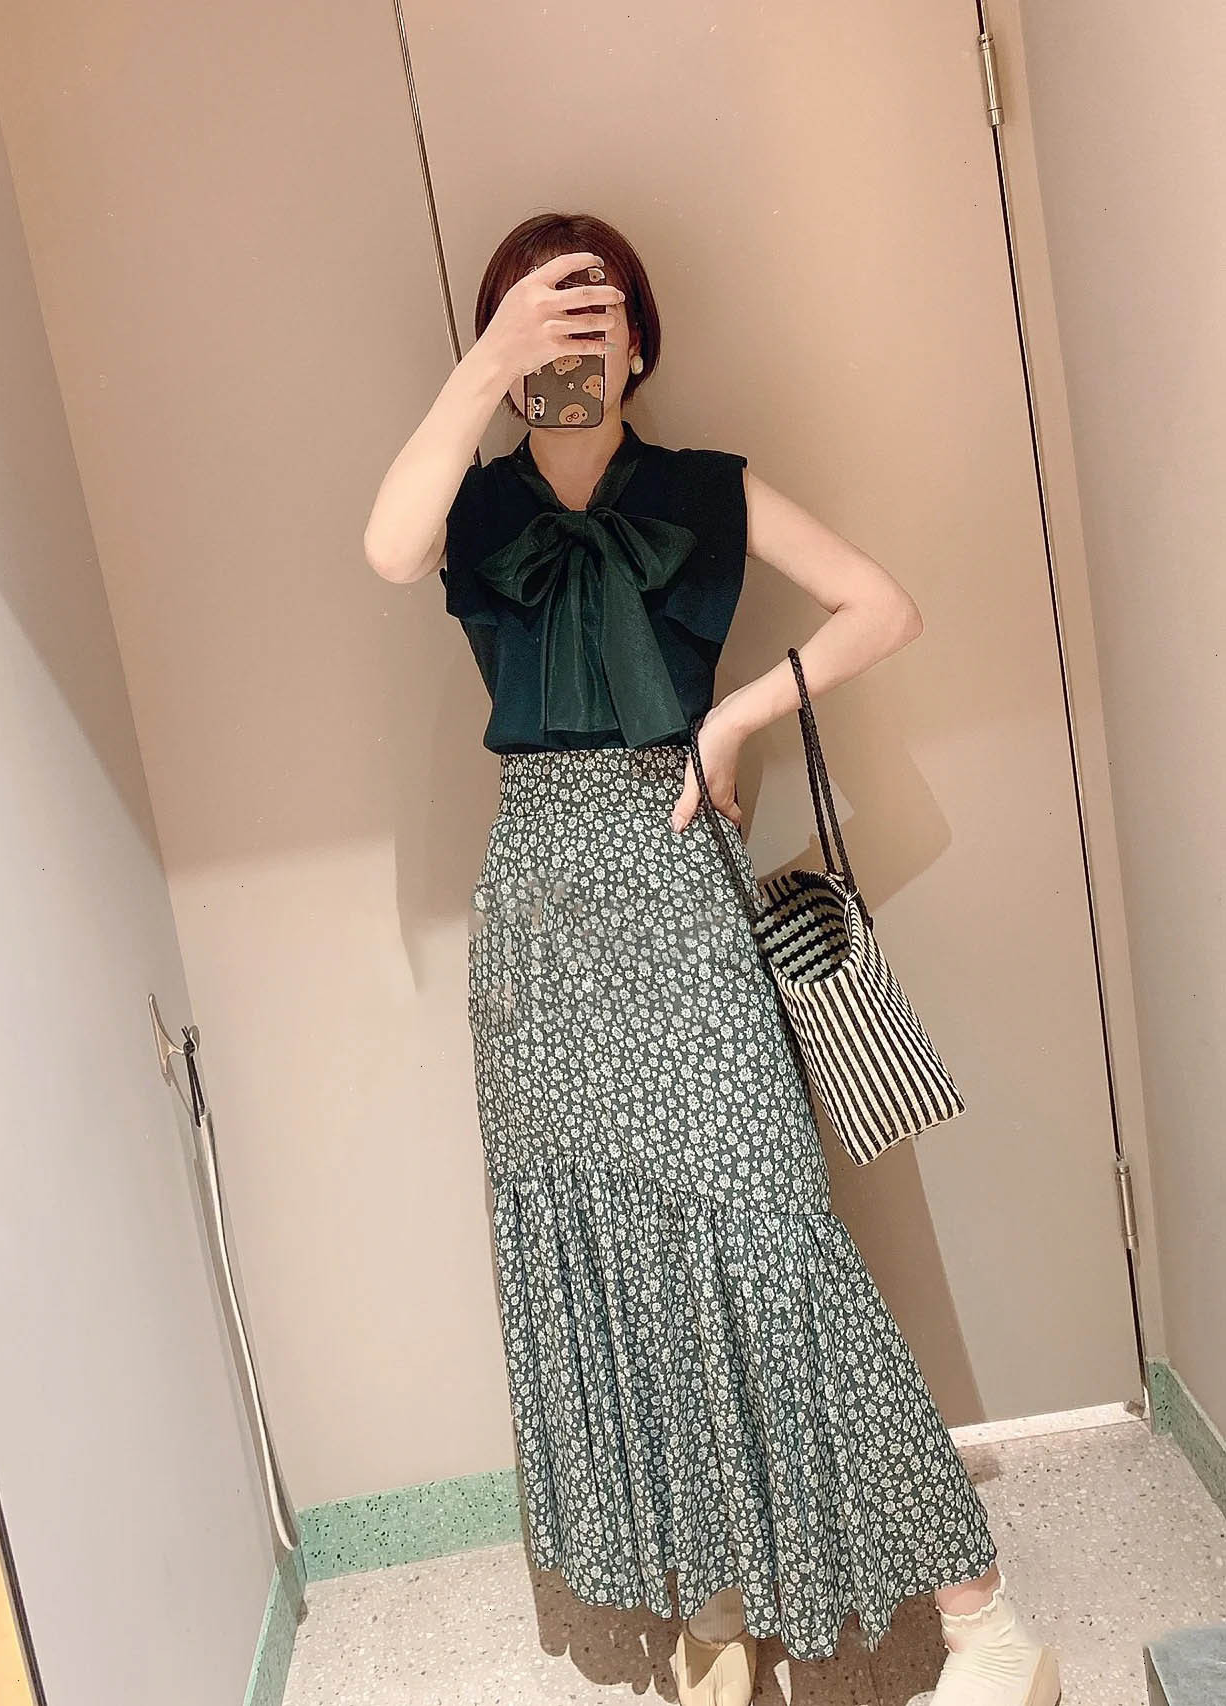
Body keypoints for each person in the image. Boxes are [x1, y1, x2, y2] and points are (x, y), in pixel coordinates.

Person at [364, 211, 1061, 1706]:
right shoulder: (470, 508)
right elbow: (385, 547)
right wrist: (486, 363)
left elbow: (884, 607)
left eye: (596, 313)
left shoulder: (705, 489)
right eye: (541, 320)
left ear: (641, 337)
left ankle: (987, 1621)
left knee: (770, 1238)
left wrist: (738, 716)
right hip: (538, 916)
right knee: (616, 1254)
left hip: (675, 876)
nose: (571, 343)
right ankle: (718, 1599)